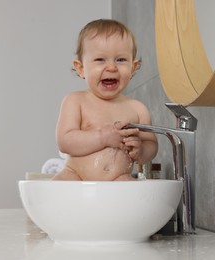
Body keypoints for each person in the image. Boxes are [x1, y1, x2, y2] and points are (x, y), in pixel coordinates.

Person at [52, 19, 158, 181]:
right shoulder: (76, 101)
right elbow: (65, 142)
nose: (111, 67)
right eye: (100, 60)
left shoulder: (138, 109)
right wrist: (103, 137)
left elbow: (151, 145)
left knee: (136, 194)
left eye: (121, 60)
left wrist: (141, 151)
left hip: (118, 179)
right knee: (57, 188)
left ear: (133, 67)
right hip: (76, 177)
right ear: (81, 68)